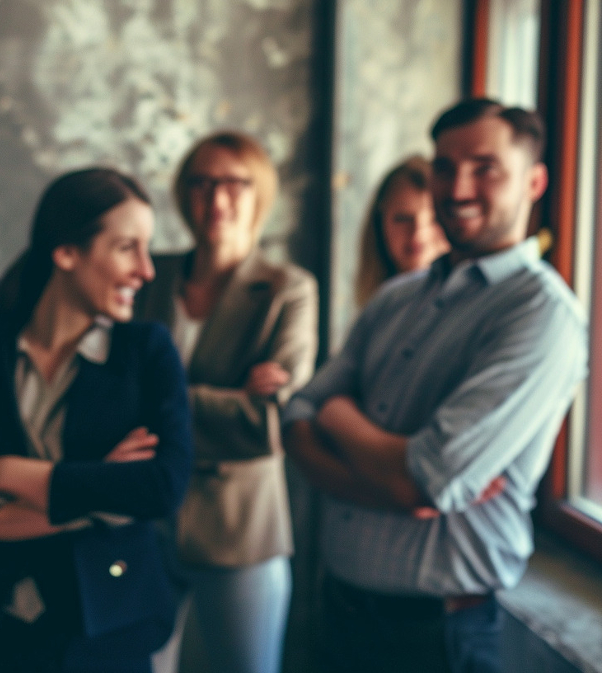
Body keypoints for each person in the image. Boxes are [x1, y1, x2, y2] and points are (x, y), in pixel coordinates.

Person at [282, 98, 587, 673]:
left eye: (484, 167)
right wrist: (390, 483)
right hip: (340, 612)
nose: (457, 186)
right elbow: (296, 418)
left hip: (435, 639)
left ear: (535, 181)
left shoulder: (540, 313)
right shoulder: (400, 295)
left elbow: (427, 477)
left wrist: (338, 417)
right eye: (444, 167)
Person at [0, 168, 193, 673]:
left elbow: (161, 487)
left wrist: (6, 474)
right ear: (67, 252)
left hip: (110, 628)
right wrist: (99, 486)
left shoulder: (147, 352)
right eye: (126, 248)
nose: (147, 269)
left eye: (147, 248)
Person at [136, 131, 318, 673]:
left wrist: (160, 398)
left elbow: (267, 424)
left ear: (259, 193)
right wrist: (230, 398)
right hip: (147, 517)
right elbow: (113, 395)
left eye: (234, 184)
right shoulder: (151, 275)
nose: (216, 200)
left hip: (242, 531)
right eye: (201, 183)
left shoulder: (288, 290)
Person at [354, 155, 450, 307]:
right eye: (403, 218)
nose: (418, 233)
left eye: (435, 219)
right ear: (379, 223)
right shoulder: (373, 311)